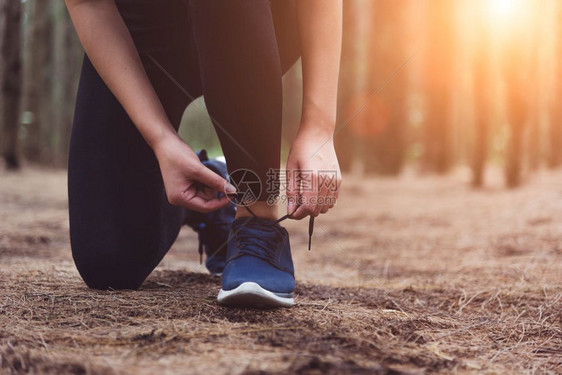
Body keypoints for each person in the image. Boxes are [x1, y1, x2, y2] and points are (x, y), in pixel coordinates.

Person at [65, 0, 342, 307]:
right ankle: (209, 188)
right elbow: (87, 5)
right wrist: (161, 140)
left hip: (257, 15)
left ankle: (256, 219)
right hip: (141, 29)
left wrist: (319, 128)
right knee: (109, 261)